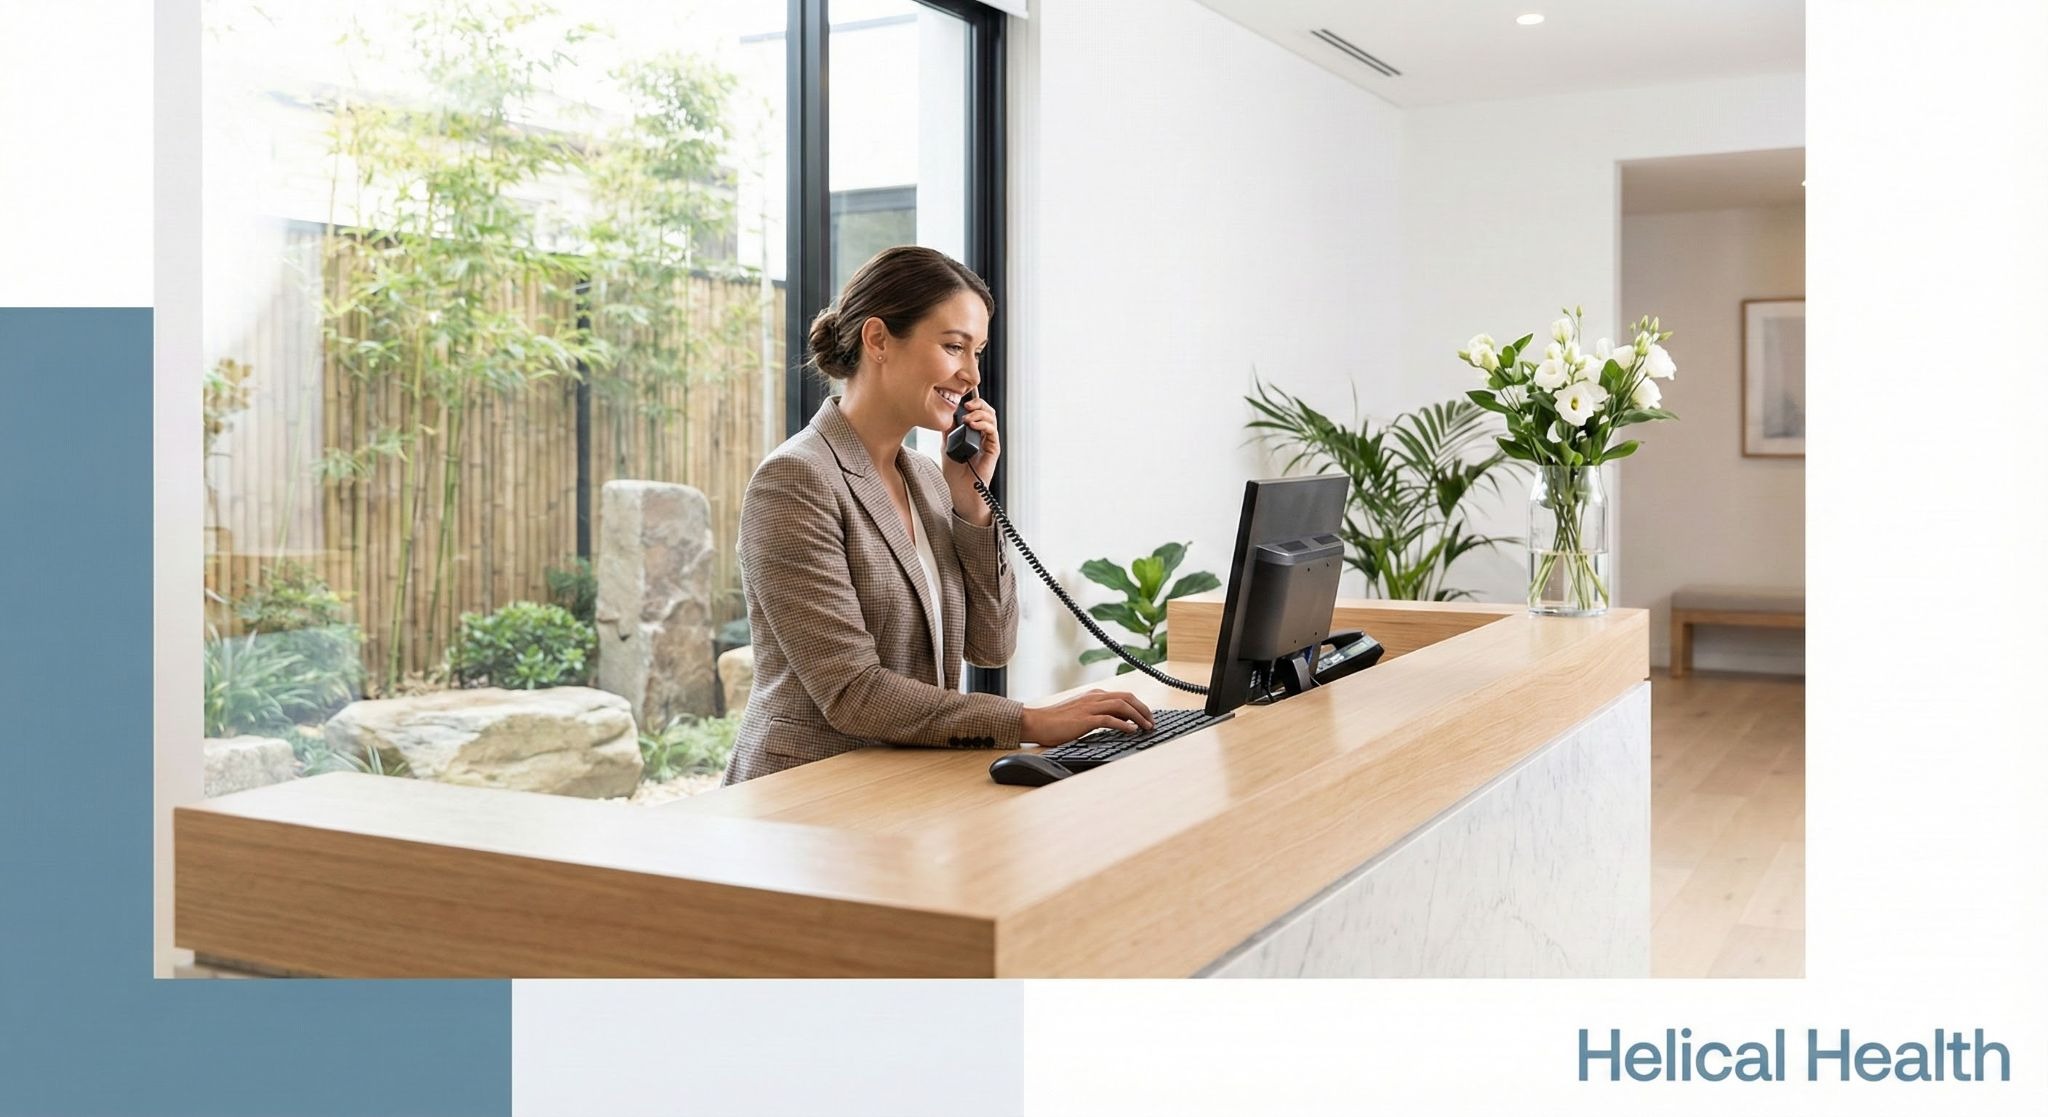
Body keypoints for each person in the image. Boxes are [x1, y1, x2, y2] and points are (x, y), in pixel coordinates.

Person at [722, 245, 1154, 784]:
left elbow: (991, 646)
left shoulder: (927, 478)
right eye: (954, 347)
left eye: (978, 352)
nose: (971, 375)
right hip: (807, 790)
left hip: (909, 783)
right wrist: (1029, 721)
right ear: (878, 340)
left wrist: (972, 503)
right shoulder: (795, 481)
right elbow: (852, 692)